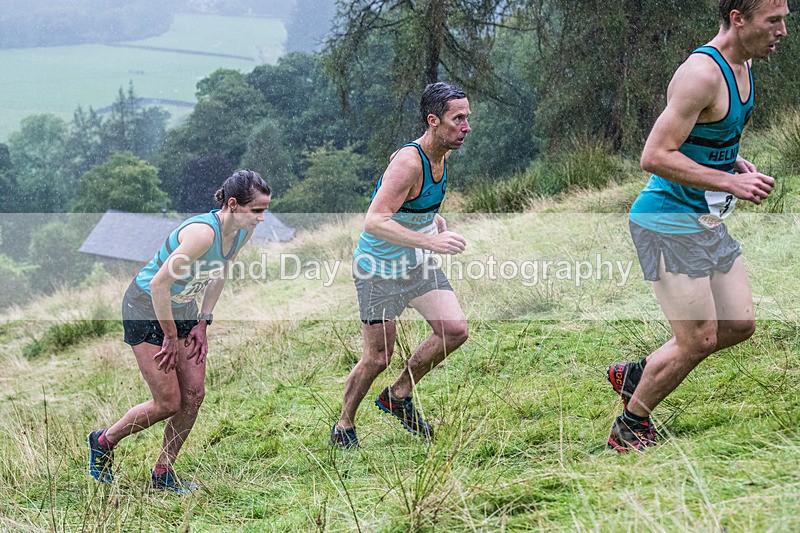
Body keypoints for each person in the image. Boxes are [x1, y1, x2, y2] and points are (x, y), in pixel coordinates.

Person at [607, 0, 788, 452]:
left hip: (704, 220)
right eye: (774, 20)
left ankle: (638, 372)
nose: (783, 30)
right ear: (738, 19)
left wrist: (734, 165)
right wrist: (729, 181)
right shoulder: (701, 74)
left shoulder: (745, 66)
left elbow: (708, 138)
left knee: (740, 324)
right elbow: (655, 155)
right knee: (699, 337)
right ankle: (630, 426)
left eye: (785, 18)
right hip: (665, 219)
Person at [87, 170, 271, 489]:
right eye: (257, 210)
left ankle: (163, 472)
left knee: (194, 395)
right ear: (232, 204)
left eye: (264, 211)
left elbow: (219, 272)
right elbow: (160, 284)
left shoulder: (242, 231)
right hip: (146, 306)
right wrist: (171, 336)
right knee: (167, 402)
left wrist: (203, 321)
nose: (262, 218)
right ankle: (103, 441)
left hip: (184, 305)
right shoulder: (202, 234)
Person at [330, 82, 472, 448]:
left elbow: (415, 206)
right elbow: (374, 220)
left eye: (467, 118)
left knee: (454, 330)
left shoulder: (443, 153)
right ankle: (344, 425)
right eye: (458, 119)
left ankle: (398, 395)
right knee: (378, 357)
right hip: (377, 270)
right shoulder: (409, 162)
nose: (466, 127)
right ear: (433, 120)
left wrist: (433, 223)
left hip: (416, 264)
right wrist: (431, 240)